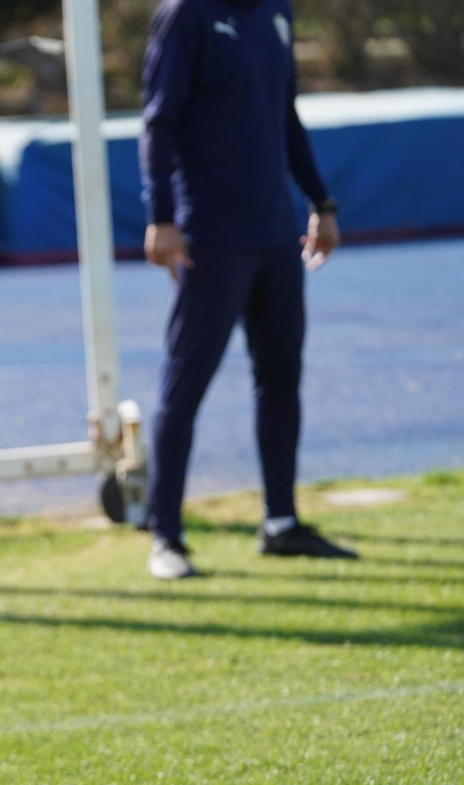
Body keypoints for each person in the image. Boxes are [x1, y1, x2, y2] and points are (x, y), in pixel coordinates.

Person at [139, 0, 357, 579]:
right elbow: (158, 119)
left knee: (281, 379)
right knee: (185, 385)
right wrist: (161, 217)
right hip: (211, 236)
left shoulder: (275, 13)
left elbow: (285, 116)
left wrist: (321, 203)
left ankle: (281, 524)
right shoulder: (186, 15)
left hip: (275, 234)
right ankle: (167, 539)